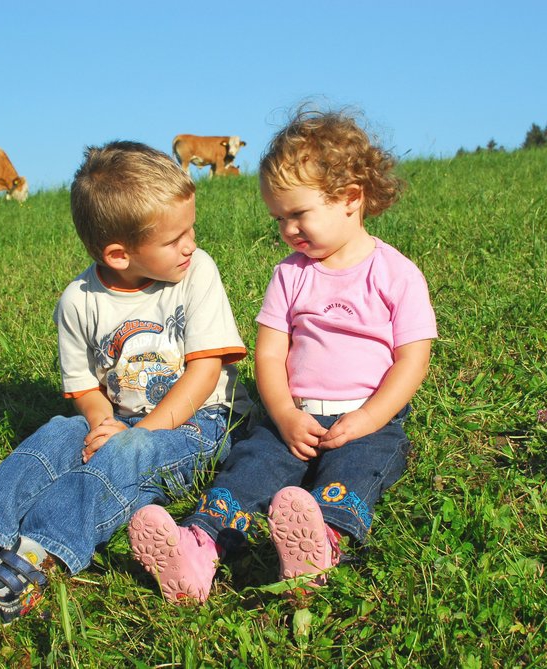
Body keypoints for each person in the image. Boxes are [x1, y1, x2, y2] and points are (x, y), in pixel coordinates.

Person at [0, 141, 250, 633]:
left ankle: (38, 554)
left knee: (127, 455)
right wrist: (100, 422)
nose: (190, 243)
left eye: (190, 229)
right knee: (55, 432)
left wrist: (138, 433)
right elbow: (84, 389)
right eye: (175, 238)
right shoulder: (78, 300)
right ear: (118, 253)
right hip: (121, 418)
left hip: (198, 423)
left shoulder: (196, 273)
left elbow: (204, 373)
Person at [129, 109, 437, 603]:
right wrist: (285, 415)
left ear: (351, 199)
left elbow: (411, 362)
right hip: (291, 417)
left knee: (354, 473)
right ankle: (196, 548)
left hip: (366, 420)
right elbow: (269, 356)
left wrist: (368, 419)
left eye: (299, 214)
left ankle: (321, 545)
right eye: (279, 219)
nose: (288, 229)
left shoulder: (397, 274)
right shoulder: (290, 275)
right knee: (251, 469)